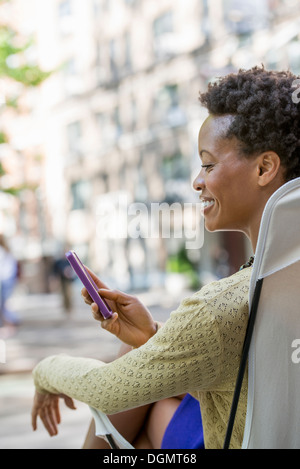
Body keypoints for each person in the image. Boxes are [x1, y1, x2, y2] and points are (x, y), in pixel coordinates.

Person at [31, 66, 300, 449]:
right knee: (142, 371)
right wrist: (154, 337)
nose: (197, 181)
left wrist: (45, 371)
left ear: (265, 168)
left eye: (208, 164)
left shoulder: (220, 308)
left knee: (133, 430)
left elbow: (105, 390)